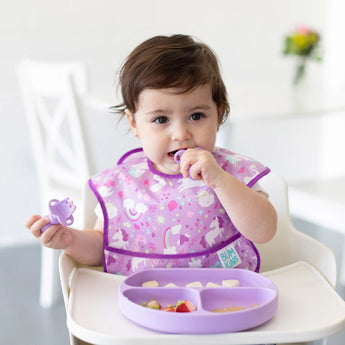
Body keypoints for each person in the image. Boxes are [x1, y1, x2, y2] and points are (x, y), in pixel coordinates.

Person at [25, 34, 277, 275]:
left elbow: (264, 231)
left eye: (196, 116)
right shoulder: (124, 184)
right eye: (160, 119)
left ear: (219, 113)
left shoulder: (229, 173)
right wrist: (70, 239)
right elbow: (103, 247)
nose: (181, 133)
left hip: (224, 294)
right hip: (147, 301)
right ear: (134, 123)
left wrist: (220, 181)